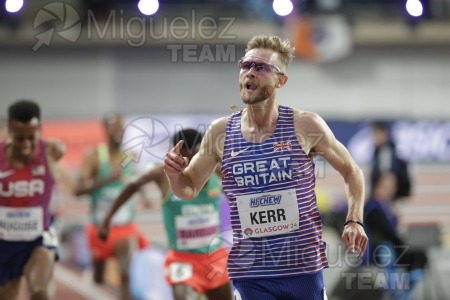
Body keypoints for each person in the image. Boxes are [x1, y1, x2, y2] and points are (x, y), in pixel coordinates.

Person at [163, 35, 368, 300]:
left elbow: (352, 171)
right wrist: (173, 174)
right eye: (245, 65)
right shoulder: (220, 133)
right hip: (251, 274)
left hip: (302, 268)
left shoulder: (305, 126)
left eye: (260, 67)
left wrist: (354, 220)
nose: (249, 72)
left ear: (280, 80)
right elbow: (188, 187)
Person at [98, 128, 232, 300]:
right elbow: (132, 185)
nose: (187, 162)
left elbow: (235, 193)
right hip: (182, 259)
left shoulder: (215, 169)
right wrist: (107, 219)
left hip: (214, 258)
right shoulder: (161, 173)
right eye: (182, 157)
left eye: (193, 156)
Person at [75, 113, 148, 300]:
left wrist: (145, 195)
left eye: (121, 128)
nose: (118, 132)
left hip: (125, 227)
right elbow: (79, 190)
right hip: (101, 228)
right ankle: (93, 275)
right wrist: (107, 179)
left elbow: (133, 181)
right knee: (99, 278)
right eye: (113, 128)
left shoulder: (129, 157)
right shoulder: (94, 156)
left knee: (125, 274)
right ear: (105, 130)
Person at [0, 99, 65, 300]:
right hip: (4, 242)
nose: (27, 145)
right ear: (9, 130)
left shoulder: (51, 151)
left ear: (40, 129)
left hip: (39, 237)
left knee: (39, 291)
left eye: (31, 137)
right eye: (20, 139)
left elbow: (71, 184)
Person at [364, 172, 427, 299]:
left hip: (394, 247)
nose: (388, 190)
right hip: (378, 250)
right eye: (385, 186)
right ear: (378, 186)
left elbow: (395, 232)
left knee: (420, 255)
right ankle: (393, 289)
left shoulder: (389, 208)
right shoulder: (372, 206)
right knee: (386, 250)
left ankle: (404, 292)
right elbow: (384, 232)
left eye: (392, 187)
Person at [370, 121, 411, 201]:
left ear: (384, 134)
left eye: (376, 134)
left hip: (387, 198)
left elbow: (389, 177)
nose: (374, 138)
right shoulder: (378, 152)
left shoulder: (387, 151)